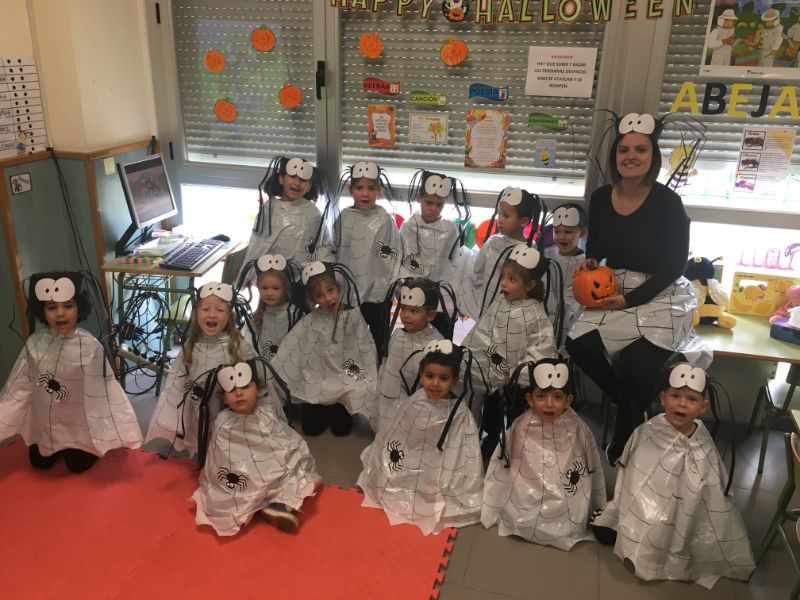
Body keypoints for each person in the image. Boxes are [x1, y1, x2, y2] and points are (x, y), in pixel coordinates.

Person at [566, 112, 711, 465]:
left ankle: (626, 426)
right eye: (624, 149)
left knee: (636, 366)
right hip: (614, 285)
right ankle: (630, 404)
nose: (630, 156)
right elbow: (595, 246)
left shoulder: (668, 203)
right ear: (615, 156)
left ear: (653, 156)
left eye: (640, 150)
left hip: (660, 294)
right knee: (577, 344)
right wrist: (590, 262)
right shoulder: (601, 197)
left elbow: (674, 267)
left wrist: (631, 300)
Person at [590, 363, 756, 588]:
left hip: (685, 512)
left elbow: (711, 488)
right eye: (675, 396)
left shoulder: (703, 443)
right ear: (663, 398)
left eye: (691, 399)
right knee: (627, 529)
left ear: (703, 406)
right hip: (645, 507)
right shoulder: (647, 431)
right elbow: (631, 477)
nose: (682, 403)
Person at [0, 271, 142, 472]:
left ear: (79, 307)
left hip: (79, 424)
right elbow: (20, 385)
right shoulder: (34, 344)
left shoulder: (90, 347)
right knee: (39, 463)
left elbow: (102, 393)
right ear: (42, 311)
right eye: (52, 307)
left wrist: (112, 427)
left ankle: (79, 444)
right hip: (46, 423)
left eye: (68, 306)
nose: (60, 313)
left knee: (77, 466)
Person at [357, 340, 483, 535]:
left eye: (443, 378)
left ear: (454, 381)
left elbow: (460, 451)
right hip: (408, 459)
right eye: (429, 376)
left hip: (440, 465)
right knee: (387, 477)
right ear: (421, 375)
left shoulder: (459, 412)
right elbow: (400, 436)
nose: (435, 383)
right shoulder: (414, 401)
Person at [481, 358, 605, 550]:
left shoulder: (578, 428)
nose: (549, 404)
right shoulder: (521, 427)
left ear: (568, 401)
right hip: (526, 495)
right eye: (541, 396)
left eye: (557, 397)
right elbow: (509, 469)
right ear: (530, 399)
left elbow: (585, 470)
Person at [192, 359, 320, 536]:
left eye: (245, 387)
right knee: (227, 501)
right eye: (232, 390)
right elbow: (221, 460)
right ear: (225, 398)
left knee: (302, 474)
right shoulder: (223, 423)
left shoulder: (266, 413)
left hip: (272, 473)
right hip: (241, 480)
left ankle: (276, 506)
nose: (239, 393)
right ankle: (264, 504)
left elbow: (281, 443)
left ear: (259, 390)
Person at [463, 244, 557, 459]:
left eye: (512, 279)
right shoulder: (499, 303)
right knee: (491, 406)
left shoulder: (536, 314)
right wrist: (485, 363)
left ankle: (515, 441)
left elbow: (542, 348)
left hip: (518, 381)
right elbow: (483, 333)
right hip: (493, 373)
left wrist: (518, 374)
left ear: (530, 285)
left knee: (517, 412)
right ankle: (491, 438)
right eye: (503, 277)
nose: (504, 283)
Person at [144, 282, 257, 459]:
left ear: (229, 315)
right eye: (205, 309)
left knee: (226, 445)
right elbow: (176, 383)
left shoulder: (238, 345)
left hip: (228, 408)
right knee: (201, 439)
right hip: (198, 407)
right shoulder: (191, 346)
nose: (212, 314)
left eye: (220, 310)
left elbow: (254, 377)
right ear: (196, 313)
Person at [270, 261, 378, 436]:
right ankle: (320, 406)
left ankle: (337, 406)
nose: (327, 298)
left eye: (330, 290)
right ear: (313, 300)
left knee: (341, 430)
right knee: (311, 429)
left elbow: (363, 351)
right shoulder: (310, 320)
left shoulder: (353, 317)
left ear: (339, 288)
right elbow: (293, 352)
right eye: (319, 295)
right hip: (316, 381)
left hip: (344, 382)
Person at [333, 161, 402, 353]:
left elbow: (393, 254)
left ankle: (379, 367)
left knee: (379, 340)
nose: (365, 194)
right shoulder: (344, 218)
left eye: (371, 188)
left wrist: (388, 286)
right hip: (349, 293)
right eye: (359, 188)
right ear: (350, 190)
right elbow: (337, 252)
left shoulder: (385, 219)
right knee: (350, 339)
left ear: (379, 191)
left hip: (378, 295)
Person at [239, 156, 333, 286]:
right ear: (281, 179)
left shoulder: (313, 213)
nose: (297, 183)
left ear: (309, 186)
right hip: (272, 278)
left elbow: (324, 246)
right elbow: (257, 245)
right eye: (292, 177)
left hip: (304, 281)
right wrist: (246, 276)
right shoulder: (269, 210)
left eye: (302, 180)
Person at [455, 186, 546, 320]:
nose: (500, 220)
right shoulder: (492, 243)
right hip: (485, 310)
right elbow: (478, 273)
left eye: (506, 215)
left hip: (512, 316)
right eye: (499, 214)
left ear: (524, 221)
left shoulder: (530, 252)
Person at [399, 169, 470, 336]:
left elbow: (455, 264)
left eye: (439, 205)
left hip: (443, 298)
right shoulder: (409, 228)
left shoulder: (450, 229)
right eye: (429, 203)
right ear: (419, 198)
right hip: (415, 298)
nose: (433, 209)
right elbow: (404, 261)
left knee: (442, 341)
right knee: (415, 339)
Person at [375, 278, 444, 431]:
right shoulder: (398, 335)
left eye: (414, 311)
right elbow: (389, 372)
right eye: (404, 308)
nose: (406, 315)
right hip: (393, 399)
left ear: (431, 315)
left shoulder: (435, 343)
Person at [237, 253, 302, 360]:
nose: (269, 293)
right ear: (258, 288)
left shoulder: (295, 314)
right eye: (264, 288)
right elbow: (248, 344)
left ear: (285, 288)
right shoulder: (257, 316)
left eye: (275, 288)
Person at [544, 203, 587, 353]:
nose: (561, 237)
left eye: (568, 232)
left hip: (574, 318)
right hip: (547, 316)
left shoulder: (585, 262)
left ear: (582, 233)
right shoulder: (547, 255)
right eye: (557, 231)